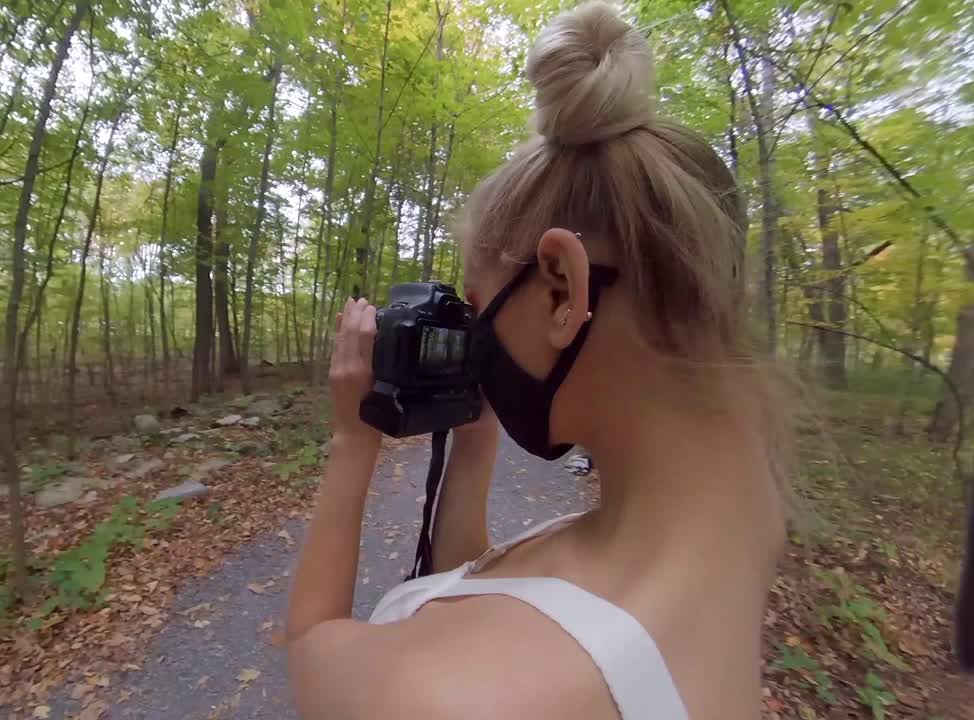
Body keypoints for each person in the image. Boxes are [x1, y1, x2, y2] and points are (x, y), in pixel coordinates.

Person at [285, 3, 791, 718]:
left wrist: (351, 441)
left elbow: (312, 652)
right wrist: (478, 438)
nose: (476, 333)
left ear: (561, 287)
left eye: (479, 303)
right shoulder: (740, 504)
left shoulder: (451, 698)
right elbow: (485, 587)